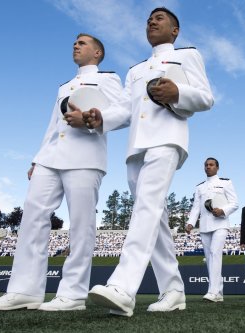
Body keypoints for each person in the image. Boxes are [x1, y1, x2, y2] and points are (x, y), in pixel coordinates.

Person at [0, 34, 122, 311]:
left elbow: (124, 111)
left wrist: (95, 119)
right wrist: (37, 158)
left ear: (97, 53)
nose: (76, 45)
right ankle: (25, 291)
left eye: (82, 42)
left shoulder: (107, 79)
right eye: (74, 42)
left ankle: (73, 295)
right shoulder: (64, 86)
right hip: (50, 157)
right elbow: (52, 125)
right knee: (32, 218)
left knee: (81, 226)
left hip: (85, 157)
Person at [86, 7, 213, 317]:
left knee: (146, 208)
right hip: (136, 147)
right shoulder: (136, 70)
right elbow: (125, 109)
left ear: (175, 31)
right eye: (149, 19)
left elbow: (205, 97)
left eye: (160, 18)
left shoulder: (187, 56)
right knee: (153, 217)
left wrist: (178, 91)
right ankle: (173, 289)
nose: (152, 21)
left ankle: (123, 287)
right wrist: (100, 117)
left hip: (167, 139)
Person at [185, 158, 239, 302]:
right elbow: (196, 207)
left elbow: (235, 203)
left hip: (220, 223)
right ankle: (219, 291)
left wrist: (223, 210)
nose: (208, 167)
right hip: (205, 225)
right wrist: (190, 223)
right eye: (206, 165)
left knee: (215, 253)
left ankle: (213, 291)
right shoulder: (200, 187)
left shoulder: (225, 183)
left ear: (217, 167)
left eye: (211, 165)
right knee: (209, 258)